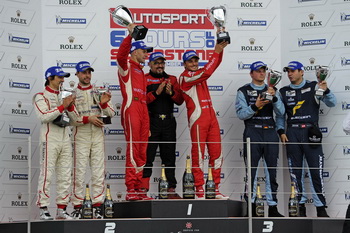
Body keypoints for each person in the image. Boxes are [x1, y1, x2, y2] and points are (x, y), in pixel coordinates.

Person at [276, 61, 336, 217]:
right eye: (288, 71)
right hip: (293, 132)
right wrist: (281, 131)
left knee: (316, 170)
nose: (290, 74)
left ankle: (320, 208)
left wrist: (326, 90)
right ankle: (299, 206)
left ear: (301, 72)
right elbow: (281, 116)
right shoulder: (282, 91)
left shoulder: (314, 86)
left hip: (311, 132)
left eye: (293, 71)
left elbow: (332, 102)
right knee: (295, 172)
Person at [179, 41, 229, 199]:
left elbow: (214, 65)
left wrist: (220, 51)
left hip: (211, 117)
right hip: (198, 119)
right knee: (199, 155)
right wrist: (216, 50)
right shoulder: (185, 77)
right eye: (190, 61)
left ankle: (214, 188)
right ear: (184, 64)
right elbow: (207, 72)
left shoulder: (200, 73)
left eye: (195, 60)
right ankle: (199, 189)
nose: (194, 63)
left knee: (217, 154)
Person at [235, 61, 285, 217]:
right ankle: (251, 206)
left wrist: (274, 97)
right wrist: (255, 106)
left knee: (271, 172)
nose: (261, 73)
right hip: (252, 132)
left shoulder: (273, 89)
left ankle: (273, 207)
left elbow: (282, 112)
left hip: (270, 132)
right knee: (252, 172)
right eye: (258, 71)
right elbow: (241, 115)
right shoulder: (243, 91)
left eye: (263, 70)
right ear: (251, 73)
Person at [70, 61, 115, 219]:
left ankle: (97, 206)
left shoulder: (98, 91)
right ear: (77, 74)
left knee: (98, 171)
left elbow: (111, 112)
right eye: (84, 72)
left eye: (89, 72)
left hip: (97, 135)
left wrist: (103, 103)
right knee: (79, 172)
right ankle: (77, 206)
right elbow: (70, 119)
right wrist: (88, 119)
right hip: (81, 134)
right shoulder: (72, 94)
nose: (87, 75)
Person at [116, 24, 153, 201]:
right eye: (144, 51)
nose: (147, 54)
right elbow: (120, 55)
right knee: (133, 149)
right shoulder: (127, 67)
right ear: (135, 51)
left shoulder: (141, 70)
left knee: (142, 150)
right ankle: (131, 188)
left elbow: (144, 96)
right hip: (131, 108)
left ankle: (139, 188)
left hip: (143, 109)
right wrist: (129, 36)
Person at [34, 66, 75, 220]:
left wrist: (70, 106)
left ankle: (62, 209)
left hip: (65, 138)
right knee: (47, 174)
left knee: (65, 174)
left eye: (63, 77)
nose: (63, 80)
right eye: (59, 77)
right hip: (49, 138)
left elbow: (74, 119)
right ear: (50, 78)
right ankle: (43, 208)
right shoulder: (41, 96)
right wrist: (62, 106)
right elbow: (44, 116)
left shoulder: (65, 95)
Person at [141, 52, 184, 199]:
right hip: (152, 123)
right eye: (156, 62)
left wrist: (171, 92)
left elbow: (180, 100)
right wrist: (157, 92)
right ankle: (143, 190)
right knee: (148, 157)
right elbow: (141, 101)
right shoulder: (144, 79)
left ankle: (170, 189)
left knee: (169, 157)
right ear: (150, 64)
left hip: (169, 123)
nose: (159, 65)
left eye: (162, 63)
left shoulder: (172, 79)